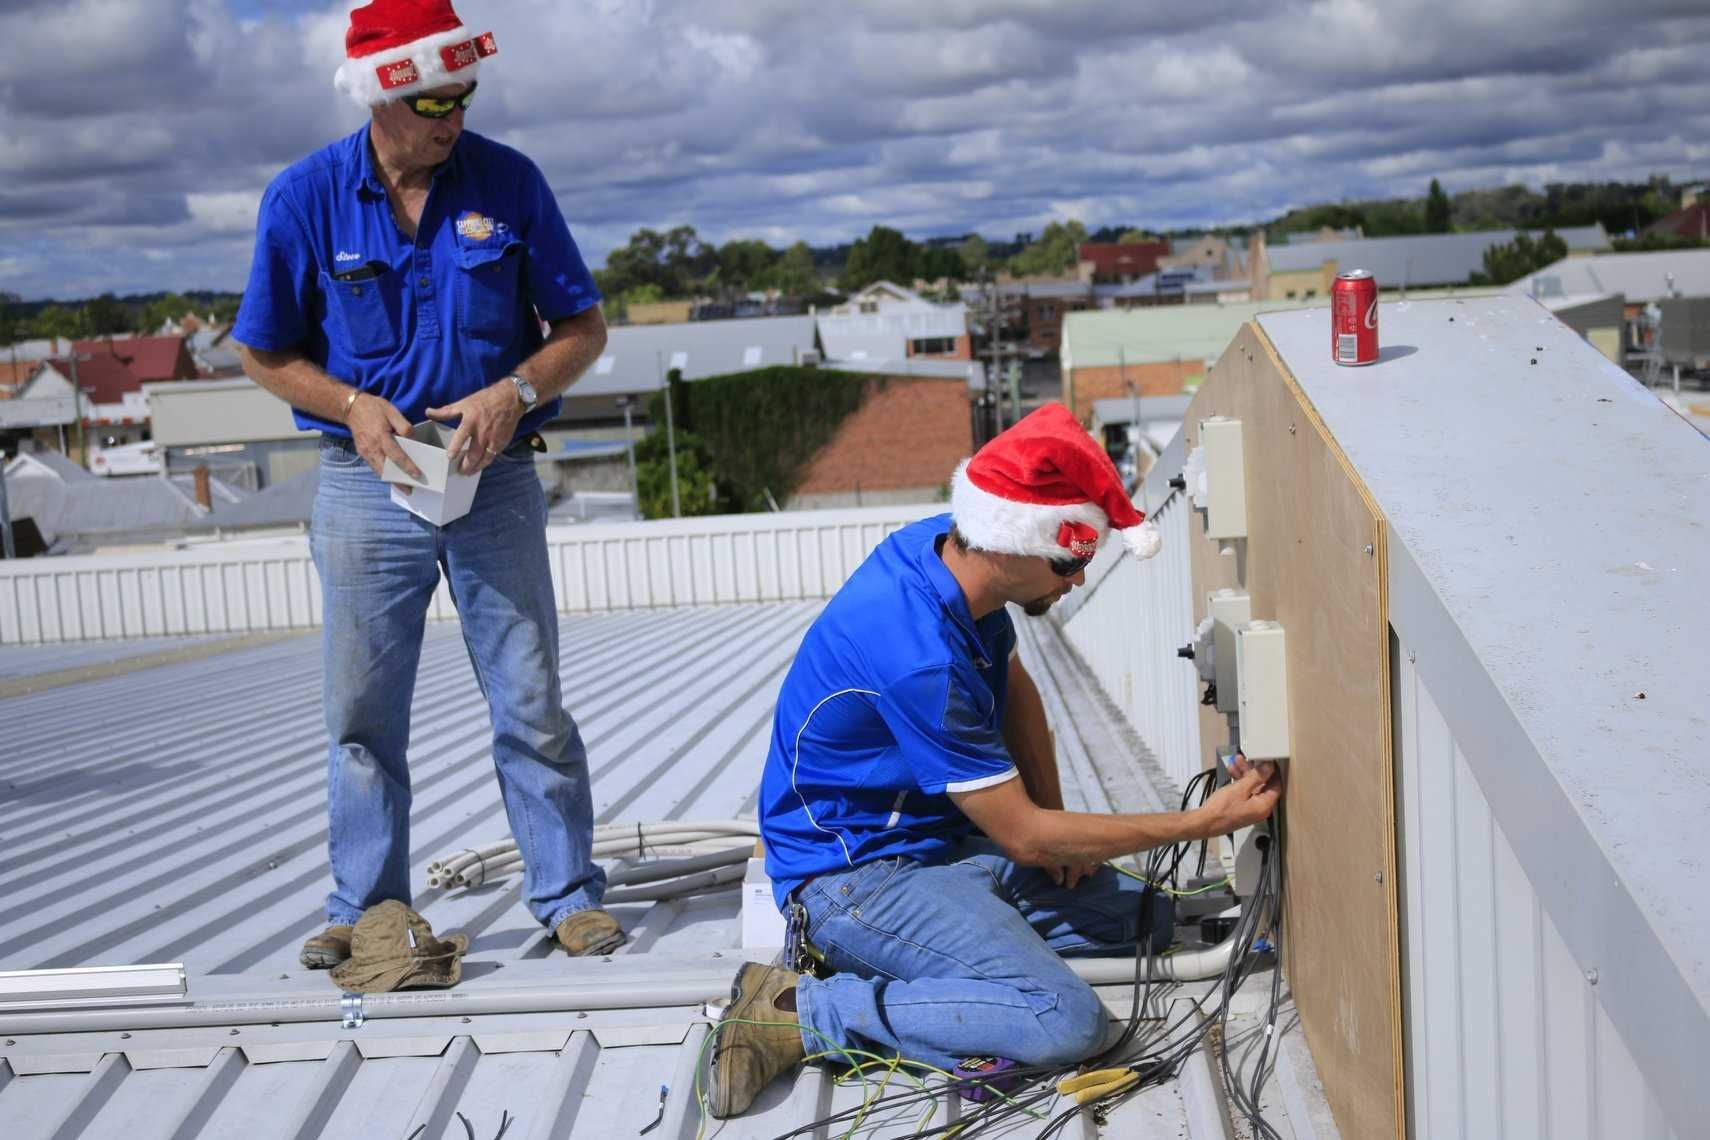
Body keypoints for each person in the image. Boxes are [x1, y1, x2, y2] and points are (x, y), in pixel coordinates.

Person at [708, 403, 1282, 1117]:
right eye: (1069, 560)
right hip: (853, 883)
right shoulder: (917, 651)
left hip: (935, 848)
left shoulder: (945, 556)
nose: (1076, 580)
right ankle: (801, 1010)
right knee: (1063, 1019)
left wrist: (1055, 836)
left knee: (1148, 923)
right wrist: (1200, 823)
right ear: (1011, 543)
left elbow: (1015, 689)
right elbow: (1021, 834)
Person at [231, 0, 623, 967]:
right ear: (380, 95)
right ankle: (365, 907)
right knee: (361, 711)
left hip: (496, 479)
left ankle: (567, 895)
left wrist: (518, 389)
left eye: (463, 96)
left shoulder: (511, 182)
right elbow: (262, 351)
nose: (452, 118)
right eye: (431, 100)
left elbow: (583, 330)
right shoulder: (303, 198)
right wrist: (350, 404)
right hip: (366, 483)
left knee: (530, 698)